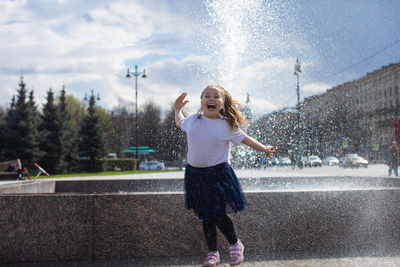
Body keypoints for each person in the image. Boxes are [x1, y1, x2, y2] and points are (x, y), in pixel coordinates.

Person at [174, 85, 275, 266]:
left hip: (217, 175)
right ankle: (213, 253)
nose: (211, 99)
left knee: (219, 214)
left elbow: (246, 139)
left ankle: (235, 244)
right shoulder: (192, 121)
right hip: (195, 176)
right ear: (201, 101)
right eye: (207, 96)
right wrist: (177, 109)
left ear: (222, 103)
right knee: (206, 216)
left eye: (216, 96)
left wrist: (264, 148)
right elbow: (179, 123)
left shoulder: (225, 125)